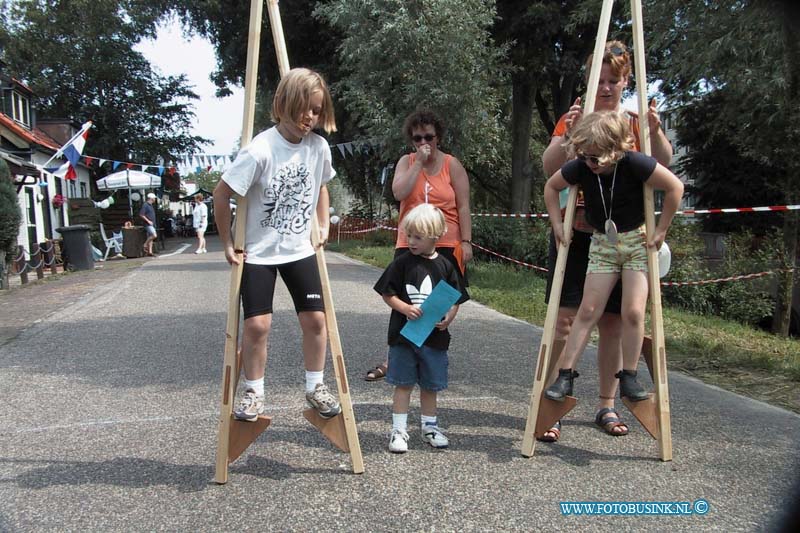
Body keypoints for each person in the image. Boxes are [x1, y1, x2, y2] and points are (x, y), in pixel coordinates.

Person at [537, 40, 673, 441]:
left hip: (625, 238)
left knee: (614, 322)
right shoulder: (573, 118)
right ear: (590, 80)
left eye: (615, 80)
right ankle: (555, 405)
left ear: (626, 80)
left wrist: (655, 132)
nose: (608, 87)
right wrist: (568, 135)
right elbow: (549, 168)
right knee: (565, 318)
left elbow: (663, 164)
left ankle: (607, 404)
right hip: (578, 233)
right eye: (602, 79)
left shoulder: (633, 122)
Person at [212, 67, 340, 422]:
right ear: (283, 103)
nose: (309, 117)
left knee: (316, 319)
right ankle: (254, 392)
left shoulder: (318, 148)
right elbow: (221, 195)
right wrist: (226, 243)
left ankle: (315, 385)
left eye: (316, 110)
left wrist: (322, 221)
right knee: (257, 326)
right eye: (304, 108)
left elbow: (322, 185)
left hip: (299, 248)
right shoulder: (259, 150)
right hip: (259, 252)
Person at [542, 111, 683, 406]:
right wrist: (557, 223)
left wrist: (661, 229)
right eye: (587, 157)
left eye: (596, 159)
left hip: (635, 243)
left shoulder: (634, 163)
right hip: (603, 245)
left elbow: (675, 187)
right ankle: (565, 374)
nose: (590, 164)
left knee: (631, 312)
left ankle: (629, 376)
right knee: (588, 309)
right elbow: (551, 187)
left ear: (615, 150)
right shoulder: (583, 166)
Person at [365, 108, 473, 382]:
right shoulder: (406, 161)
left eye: (429, 137)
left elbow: (463, 205)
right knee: (405, 299)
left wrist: (466, 241)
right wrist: (417, 163)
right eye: (417, 138)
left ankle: (431, 358)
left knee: (441, 302)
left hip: (446, 242)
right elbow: (399, 192)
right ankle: (396, 359)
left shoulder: (452, 165)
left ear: (439, 137)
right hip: (409, 241)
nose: (424, 143)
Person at [373, 203, 469, 453]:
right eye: (408, 235)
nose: (411, 241)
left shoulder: (447, 266)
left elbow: (455, 299)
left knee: (430, 386)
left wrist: (449, 318)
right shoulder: (402, 263)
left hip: (434, 340)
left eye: (418, 236)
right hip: (403, 339)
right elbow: (387, 293)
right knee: (402, 384)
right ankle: (398, 430)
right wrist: (404, 308)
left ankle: (430, 427)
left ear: (436, 236)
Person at [139, 192, 158, 257]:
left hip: (152, 223)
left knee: (151, 237)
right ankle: (145, 244)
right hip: (148, 224)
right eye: (154, 198)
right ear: (151, 198)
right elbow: (141, 214)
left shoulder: (150, 205)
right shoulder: (145, 205)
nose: (155, 199)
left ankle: (150, 252)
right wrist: (148, 221)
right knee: (154, 235)